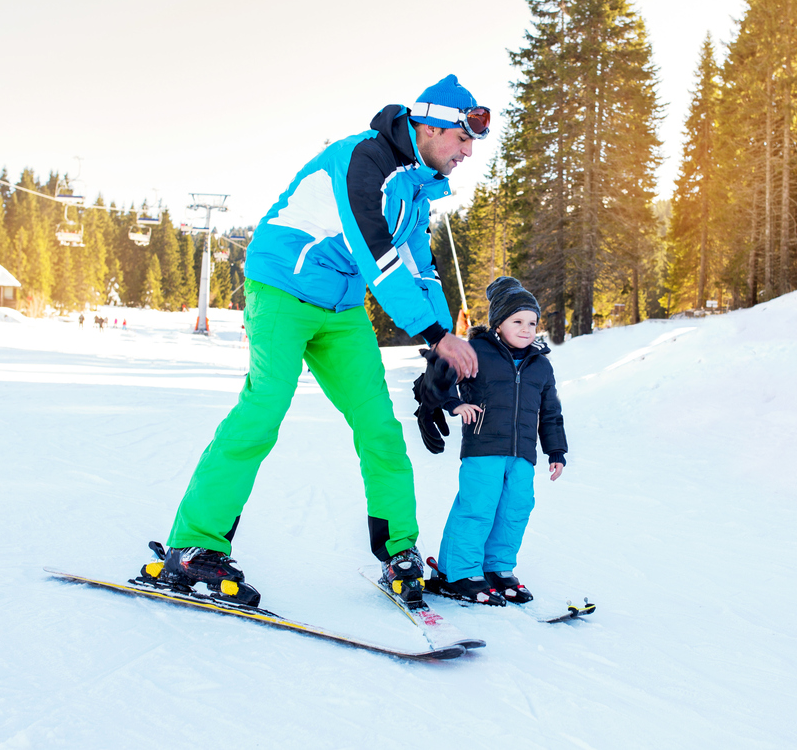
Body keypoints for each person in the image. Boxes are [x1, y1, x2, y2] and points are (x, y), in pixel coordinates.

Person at [154, 75, 485, 607]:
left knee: (379, 426)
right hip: (282, 286)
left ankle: (400, 553)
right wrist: (436, 335)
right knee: (262, 411)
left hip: (340, 307)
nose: (468, 152)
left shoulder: (419, 189)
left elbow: (422, 270)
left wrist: (437, 352)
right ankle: (193, 547)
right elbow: (378, 254)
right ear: (429, 125)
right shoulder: (362, 160)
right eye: (462, 139)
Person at [417, 276, 568, 606]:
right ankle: (457, 573)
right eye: (518, 321)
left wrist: (555, 449)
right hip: (484, 446)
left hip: (522, 452)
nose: (527, 329)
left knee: (516, 508)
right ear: (498, 323)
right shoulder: (477, 352)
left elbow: (551, 412)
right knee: (478, 507)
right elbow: (440, 374)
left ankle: (497, 568)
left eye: (532, 322)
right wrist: (453, 403)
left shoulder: (540, 365)